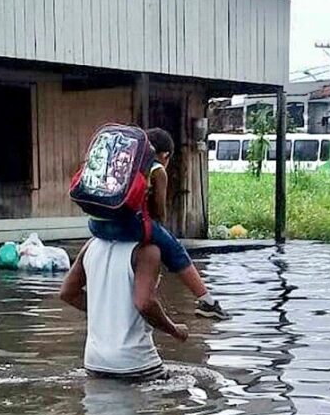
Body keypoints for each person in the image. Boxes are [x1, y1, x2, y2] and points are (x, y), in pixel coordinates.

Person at [88, 127, 229, 320]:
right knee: (175, 248)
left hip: (96, 225)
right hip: (125, 227)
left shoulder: (122, 162)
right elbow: (160, 213)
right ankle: (207, 301)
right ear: (165, 155)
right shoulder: (157, 169)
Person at [60, 237, 187, 382]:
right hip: (136, 363)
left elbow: (68, 293)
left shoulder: (92, 245)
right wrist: (175, 330)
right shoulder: (146, 250)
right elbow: (145, 303)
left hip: (94, 362)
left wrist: (107, 311)